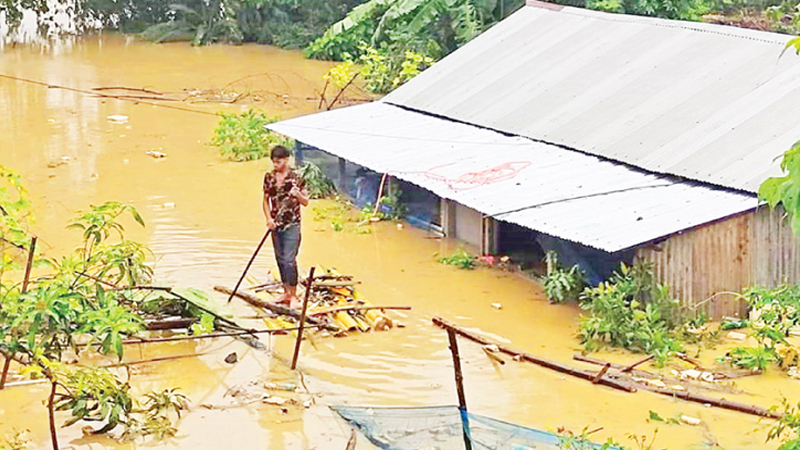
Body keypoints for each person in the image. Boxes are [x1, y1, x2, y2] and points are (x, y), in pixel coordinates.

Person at [263, 146, 309, 308]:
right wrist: (269, 219)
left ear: (287, 159)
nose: (276, 165)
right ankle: (285, 291)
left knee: (289, 260)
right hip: (275, 225)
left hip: (292, 224)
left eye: (279, 161)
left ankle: (294, 295)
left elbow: (306, 201)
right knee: (280, 259)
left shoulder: (297, 178)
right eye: (274, 162)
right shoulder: (269, 177)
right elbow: (265, 200)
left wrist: (298, 195)